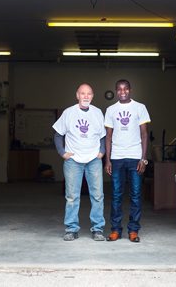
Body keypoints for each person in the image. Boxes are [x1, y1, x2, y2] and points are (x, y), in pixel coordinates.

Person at [52, 83, 106, 241]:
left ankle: (97, 229)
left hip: (93, 159)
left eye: (89, 93)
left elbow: (103, 136)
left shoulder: (97, 113)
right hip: (73, 160)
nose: (86, 96)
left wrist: (102, 152)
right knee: (72, 196)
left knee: (97, 196)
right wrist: (62, 153)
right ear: (77, 95)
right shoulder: (68, 113)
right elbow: (57, 134)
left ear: (93, 96)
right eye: (83, 93)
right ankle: (71, 229)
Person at [104, 79, 151, 242]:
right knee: (116, 195)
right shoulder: (111, 110)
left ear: (130, 90)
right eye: (119, 89)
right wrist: (107, 160)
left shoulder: (140, 107)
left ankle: (133, 230)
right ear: (116, 91)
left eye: (125, 89)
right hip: (116, 158)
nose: (122, 92)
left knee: (136, 195)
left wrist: (143, 159)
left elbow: (144, 134)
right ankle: (116, 229)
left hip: (135, 156)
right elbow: (108, 137)